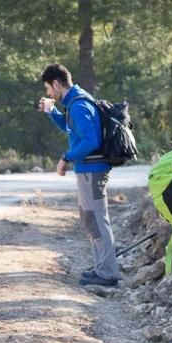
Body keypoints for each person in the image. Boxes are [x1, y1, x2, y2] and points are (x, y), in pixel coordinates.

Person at [38, 63, 118, 288]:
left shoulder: (79, 104)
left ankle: (108, 275)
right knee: (91, 219)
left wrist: (66, 157)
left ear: (56, 83)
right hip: (88, 171)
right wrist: (51, 111)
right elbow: (71, 129)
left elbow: (90, 141)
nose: (48, 94)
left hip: (92, 171)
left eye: (48, 89)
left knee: (96, 220)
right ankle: (102, 268)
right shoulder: (75, 102)